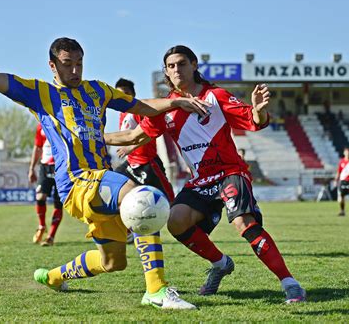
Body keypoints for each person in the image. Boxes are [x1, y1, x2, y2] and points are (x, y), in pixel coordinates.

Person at [0, 0, 210, 309]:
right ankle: (156, 290)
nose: (75, 69)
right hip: (77, 183)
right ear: (52, 64)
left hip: (100, 181)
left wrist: (175, 102)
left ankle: (53, 276)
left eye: (79, 62)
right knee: (141, 198)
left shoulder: (98, 90)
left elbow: (141, 106)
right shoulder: (40, 93)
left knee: (112, 263)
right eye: (68, 63)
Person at [105, 45, 306, 304]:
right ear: (166, 71)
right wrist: (93, 137)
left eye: (182, 63)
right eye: (171, 66)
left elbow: (254, 121)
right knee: (175, 221)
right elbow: (132, 136)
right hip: (200, 180)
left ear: (194, 65)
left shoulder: (216, 96)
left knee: (243, 222)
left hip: (229, 172)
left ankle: (290, 284)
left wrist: (258, 109)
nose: (177, 69)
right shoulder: (166, 109)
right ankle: (221, 264)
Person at [114, 78, 175, 244]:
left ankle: (190, 225)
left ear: (133, 95)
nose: (122, 97)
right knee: (111, 190)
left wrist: (130, 148)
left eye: (126, 94)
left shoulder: (139, 111)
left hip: (147, 164)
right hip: (129, 165)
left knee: (171, 202)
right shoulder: (121, 113)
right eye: (119, 94)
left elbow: (150, 133)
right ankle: (127, 230)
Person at [29, 124, 64, 246]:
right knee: (40, 196)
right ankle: (42, 226)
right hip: (45, 166)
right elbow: (37, 147)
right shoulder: (41, 125)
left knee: (59, 202)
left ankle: (51, 237)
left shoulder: (63, 120)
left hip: (61, 166)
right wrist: (31, 168)